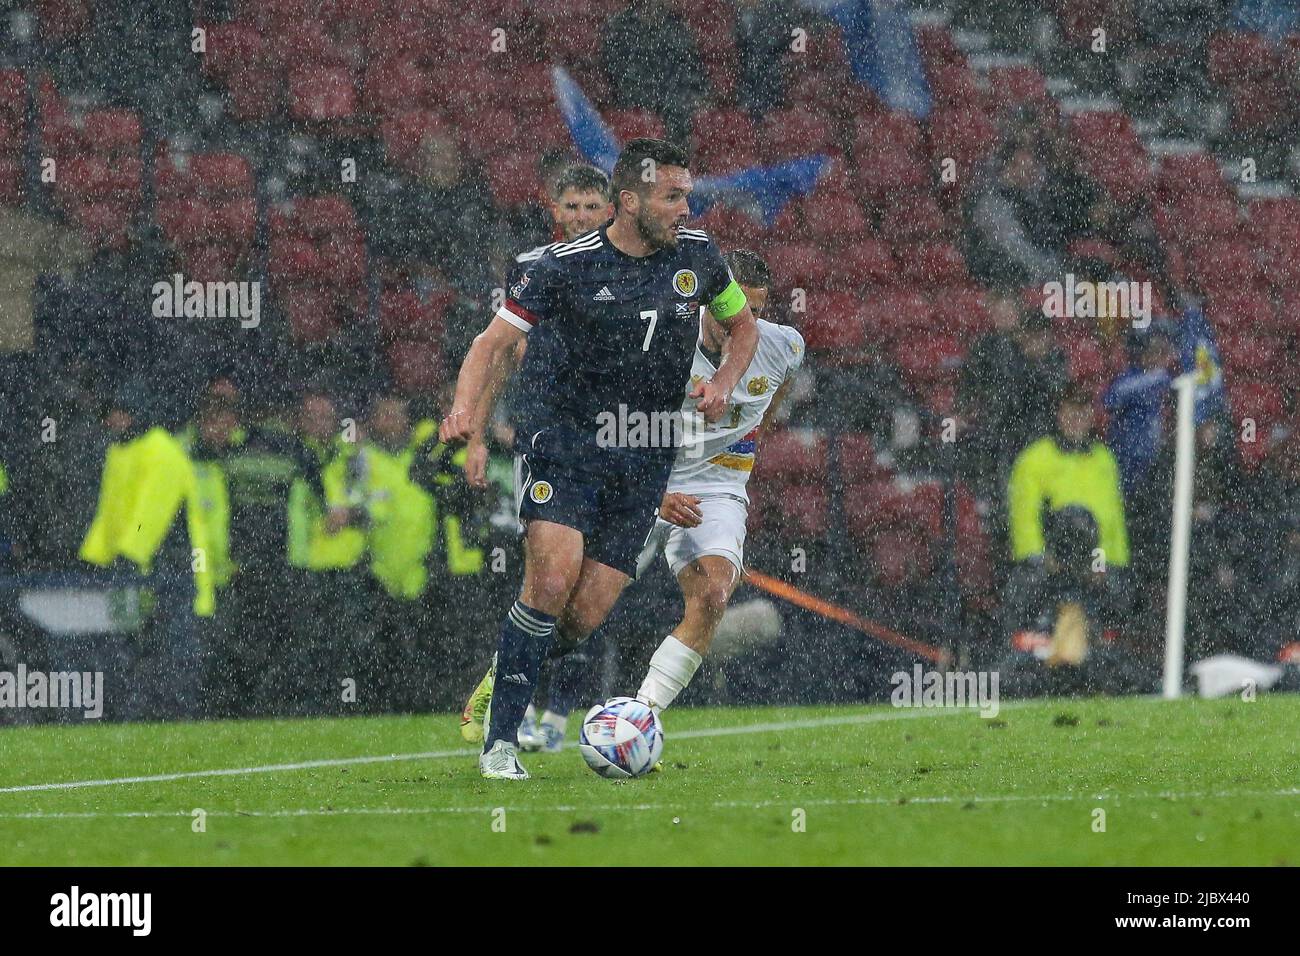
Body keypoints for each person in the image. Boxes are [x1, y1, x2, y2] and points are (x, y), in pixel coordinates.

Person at [439, 138, 759, 780]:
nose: (684, 207)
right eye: (672, 196)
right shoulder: (563, 265)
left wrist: (723, 381)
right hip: (567, 444)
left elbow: (744, 326)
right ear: (630, 201)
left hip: (643, 456)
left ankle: (506, 673)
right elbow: (493, 343)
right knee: (550, 583)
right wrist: (466, 415)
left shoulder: (699, 257)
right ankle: (501, 741)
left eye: (686, 194)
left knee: (583, 616)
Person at [460, 249, 802, 746]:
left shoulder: (781, 345)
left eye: (754, 313)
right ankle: (505, 672)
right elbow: (614, 419)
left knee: (712, 595)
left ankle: (639, 720)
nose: (740, 325)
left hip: (715, 484)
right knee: (577, 615)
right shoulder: (663, 342)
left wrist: (748, 438)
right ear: (708, 304)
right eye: (733, 313)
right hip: (641, 474)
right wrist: (654, 489)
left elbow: (781, 382)